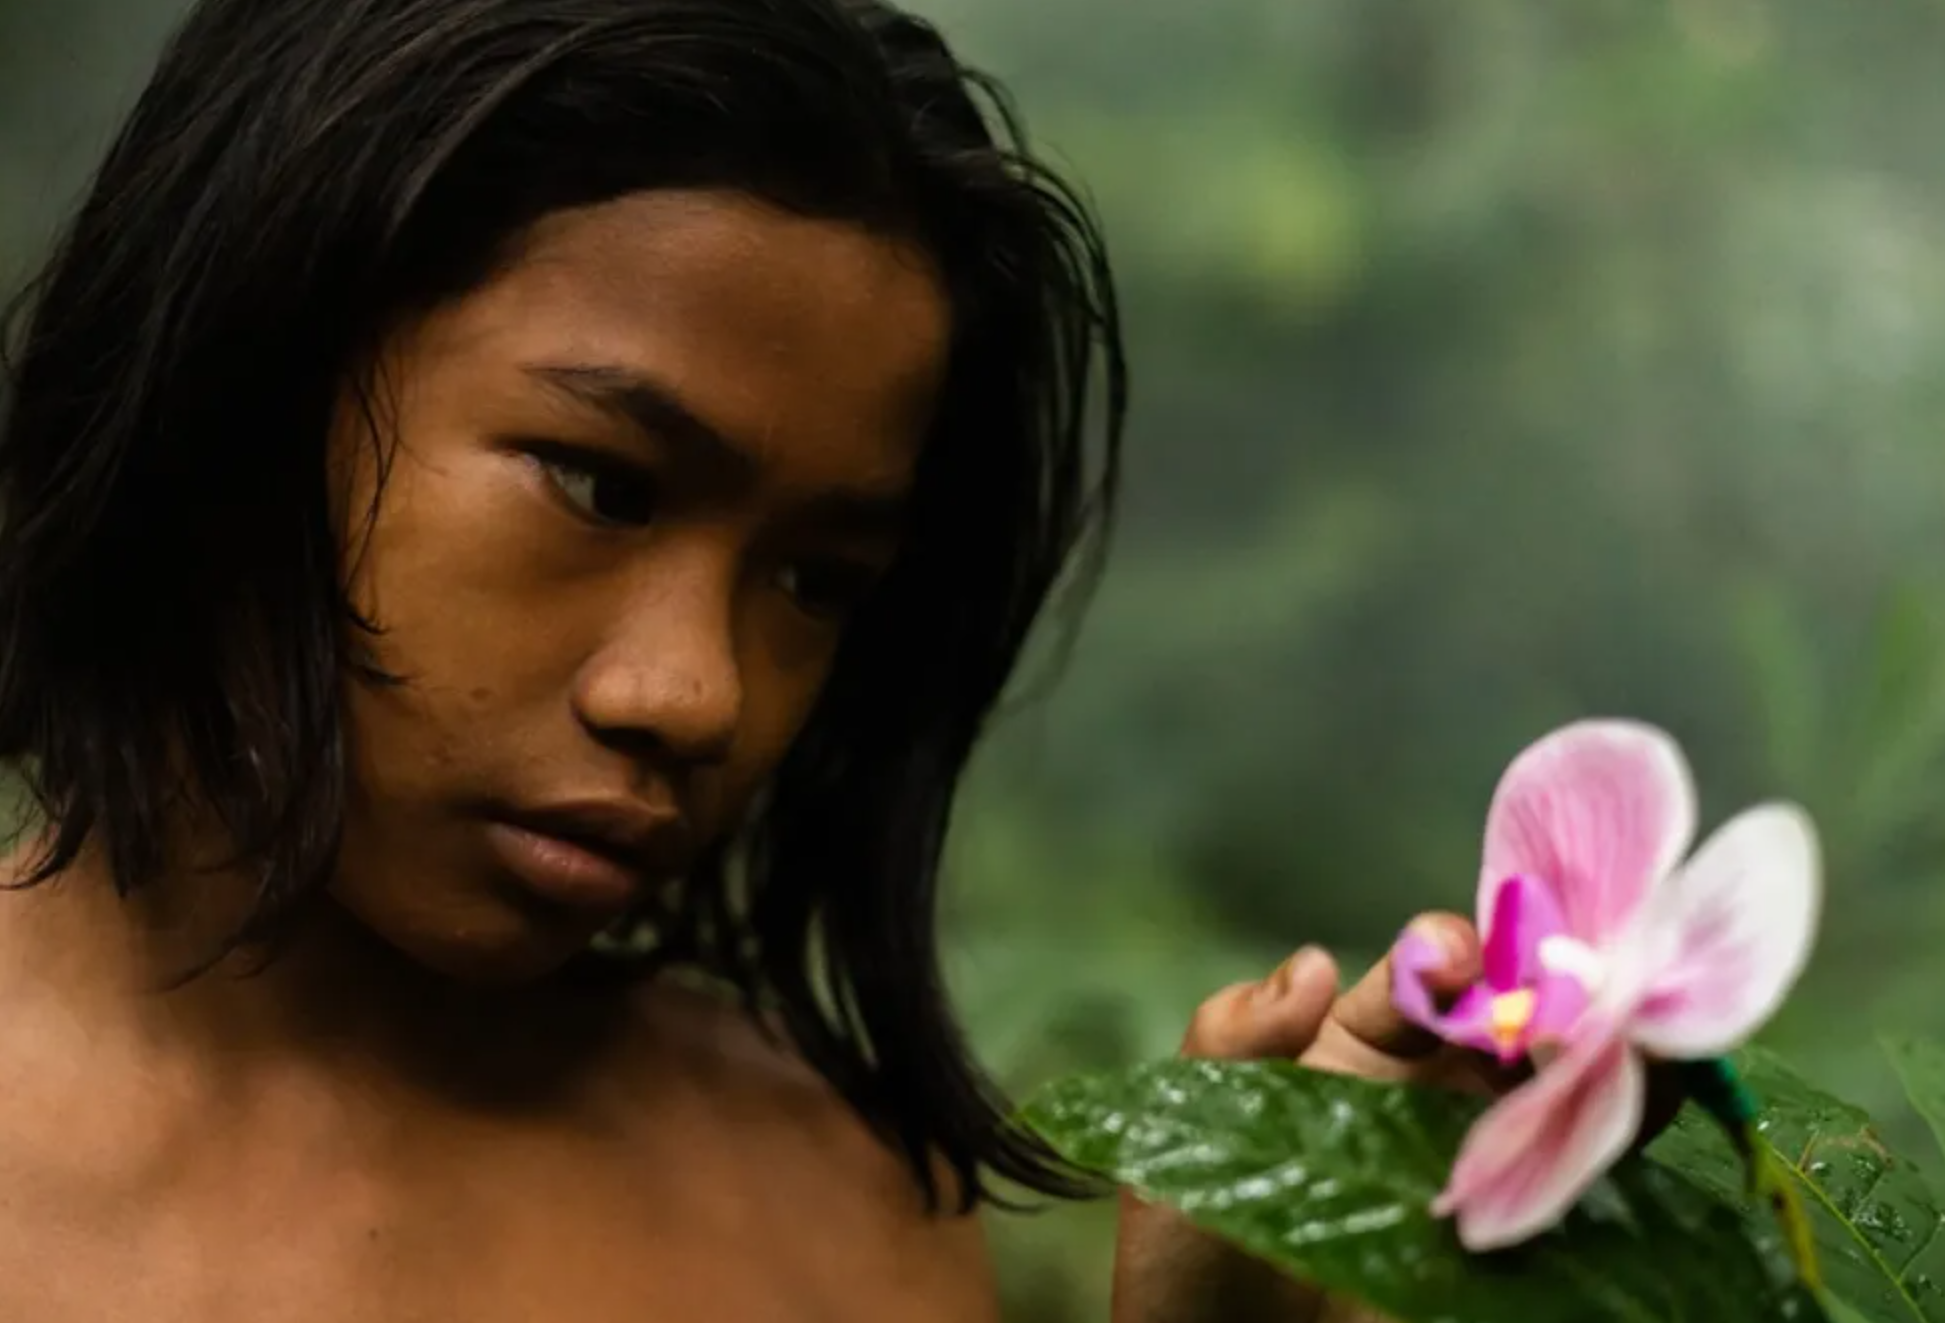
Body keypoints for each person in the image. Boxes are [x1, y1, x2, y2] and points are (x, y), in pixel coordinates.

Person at [0, 0, 1514, 1318]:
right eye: (600, 484)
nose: (697, 695)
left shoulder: (825, 1207)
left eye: (815, 580)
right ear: (250, 380)